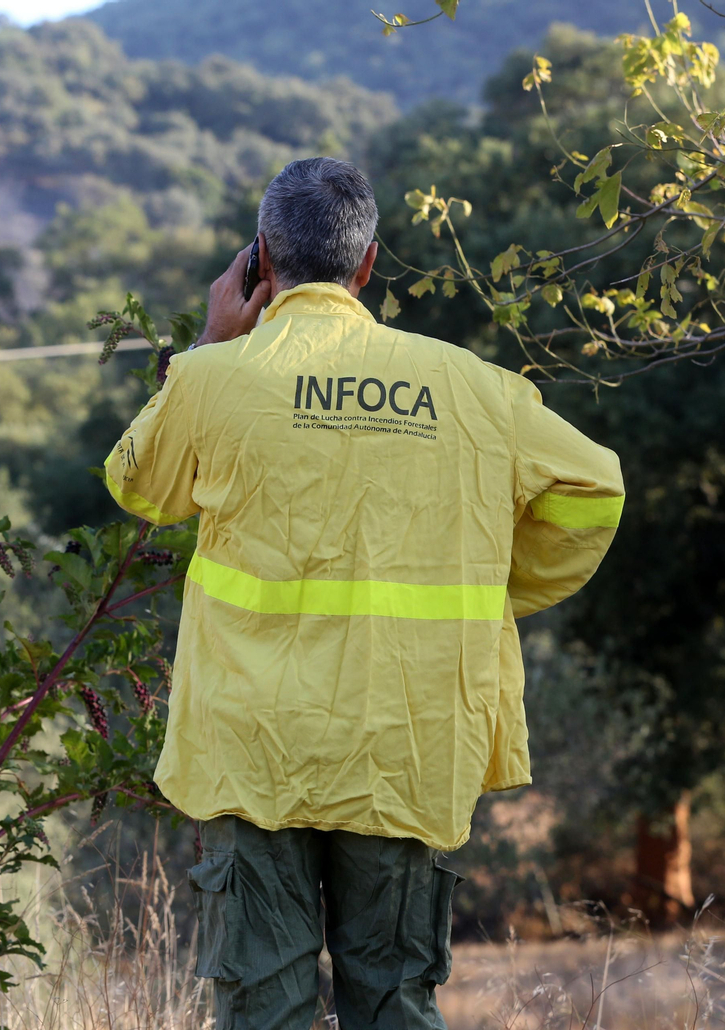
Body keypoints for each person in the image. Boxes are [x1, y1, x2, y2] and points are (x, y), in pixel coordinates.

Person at [103, 157, 623, 1030]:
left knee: (263, 1011)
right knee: (391, 1006)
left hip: (254, 749)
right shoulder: (472, 388)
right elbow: (594, 488)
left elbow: (139, 486)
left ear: (259, 260)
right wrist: (494, 586)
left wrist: (206, 344)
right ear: (370, 264)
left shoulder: (211, 380)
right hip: (405, 744)